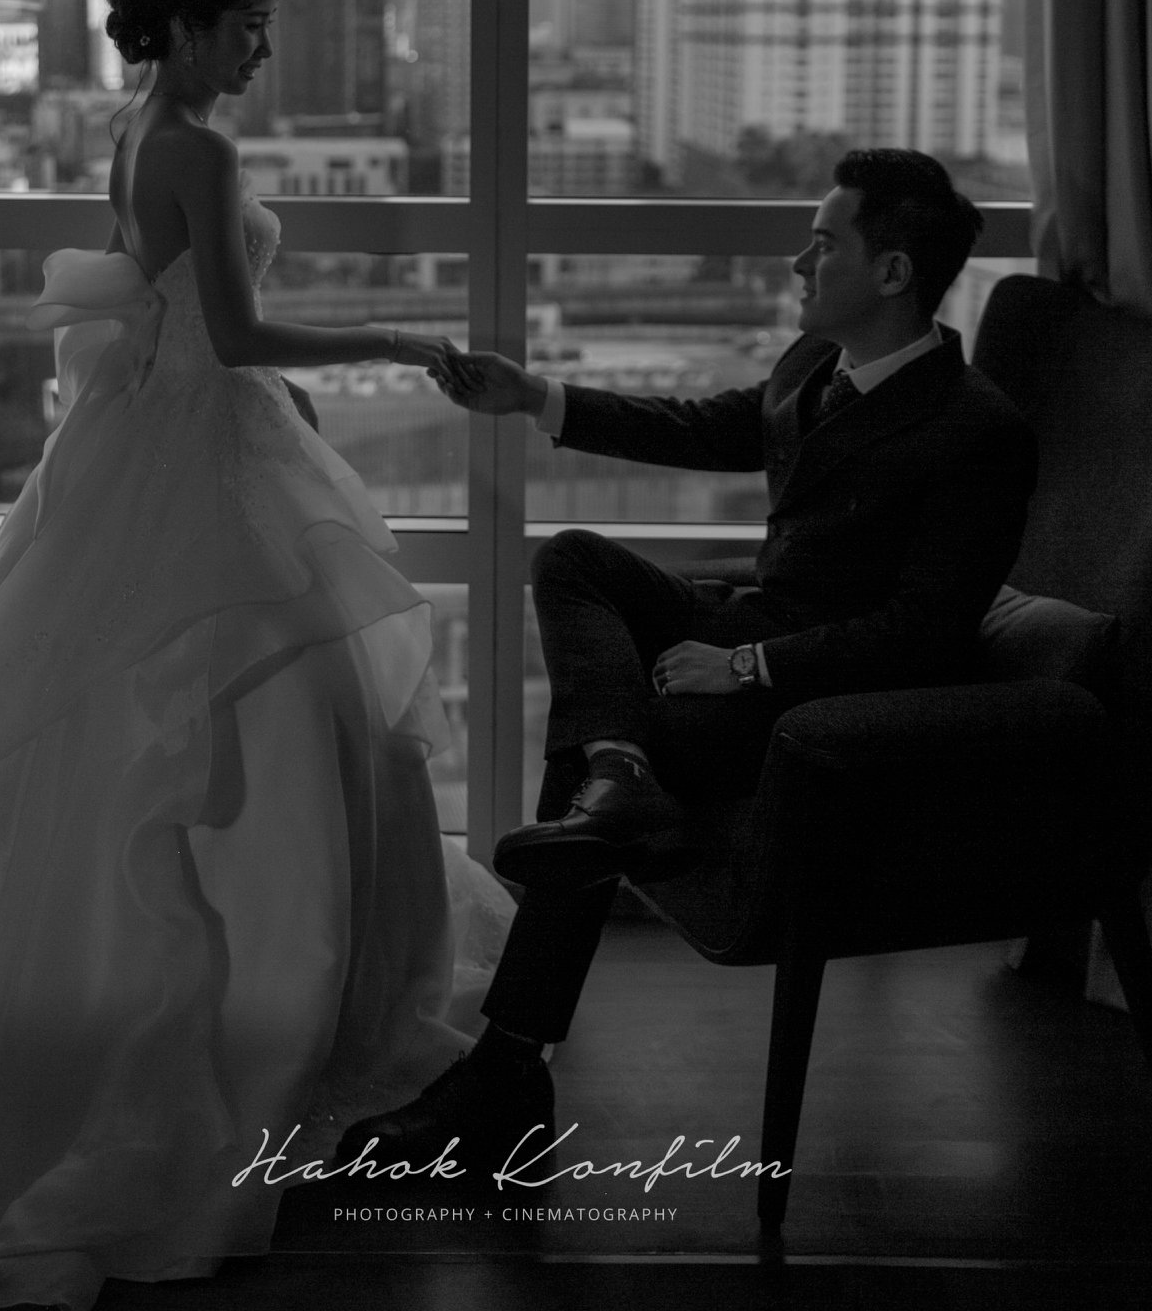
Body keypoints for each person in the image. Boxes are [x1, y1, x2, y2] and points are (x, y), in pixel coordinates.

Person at [0, 0, 511, 1310]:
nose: (265, 43)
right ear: (193, 19)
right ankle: (279, 1010)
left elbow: (158, 311)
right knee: (289, 717)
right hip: (206, 450)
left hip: (165, 437)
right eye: (251, 19)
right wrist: (395, 338)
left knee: (168, 726)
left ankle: (216, 986)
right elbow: (238, 329)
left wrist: (261, 387)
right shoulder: (196, 146)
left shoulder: (137, 124)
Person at [336, 148, 1038, 1174]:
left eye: (823, 243)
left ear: (892, 272)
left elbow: (921, 632)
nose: (797, 263)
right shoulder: (813, 364)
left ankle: (509, 1060)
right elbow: (701, 427)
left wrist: (746, 665)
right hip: (750, 625)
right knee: (573, 560)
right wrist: (532, 395)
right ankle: (616, 777)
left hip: (822, 695)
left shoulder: (976, 430)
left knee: (606, 747)